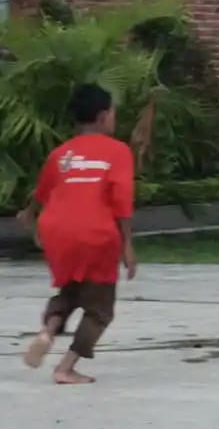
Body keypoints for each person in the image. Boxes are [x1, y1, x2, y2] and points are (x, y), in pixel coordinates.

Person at [18, 83, 137, 385]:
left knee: (70, 291)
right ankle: (66, 368)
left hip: (57, 231)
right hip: (95, 233)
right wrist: (127, 245)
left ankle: (48, 330)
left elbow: (41, 192)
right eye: (113, 113)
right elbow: (122, 201)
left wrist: (29, 215)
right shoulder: (118, 151)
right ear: (103, 116)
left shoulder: (61, 153)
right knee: (99, 308)